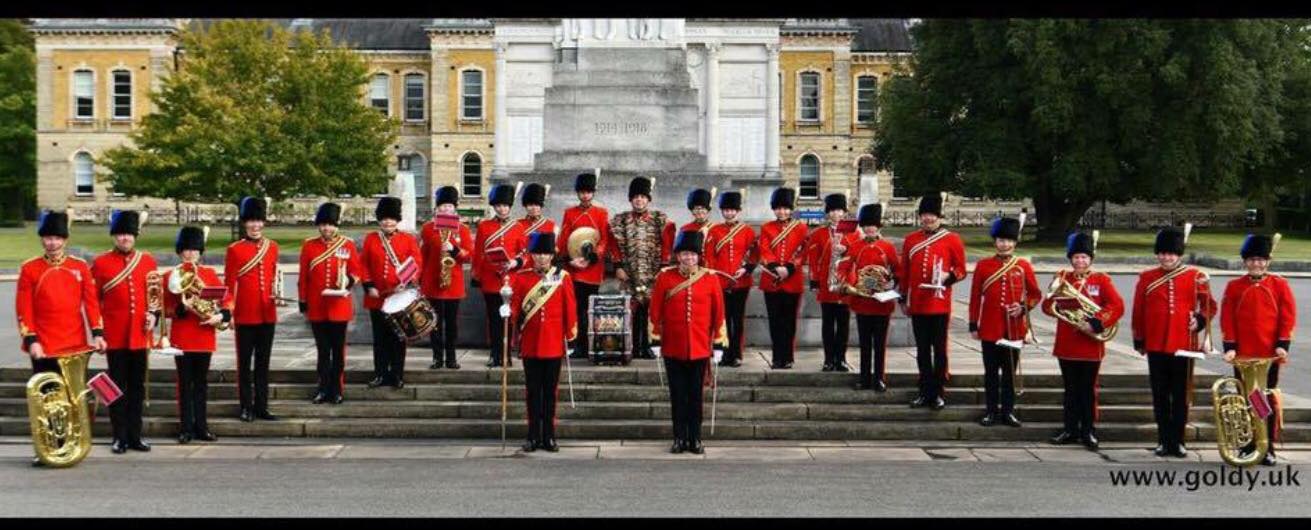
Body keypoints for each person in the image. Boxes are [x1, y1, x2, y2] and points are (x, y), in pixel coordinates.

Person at [16, 210, 106, 466]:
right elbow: (24, 308)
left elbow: (91, 304)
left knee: (71, 401)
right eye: (47, 238)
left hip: (74, 344)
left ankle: (72, 443)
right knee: (47, 402)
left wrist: (98, 334)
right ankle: (48, 448)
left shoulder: (78, 267)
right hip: (43, 345)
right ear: (42, 240)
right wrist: (32, 340)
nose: (52, 243)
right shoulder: (30, 268)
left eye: (56, 238)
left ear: (65, 240)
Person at [1131, 226, 1217, 458]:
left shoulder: (1195, 276)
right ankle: (1163, 440)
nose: (1166, 257)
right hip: (1156, 344)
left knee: (1181, 396)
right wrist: (1139, 338)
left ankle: (1178, 441)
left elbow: (1210, 305)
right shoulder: (1147, 277)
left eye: (1171, 254)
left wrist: (1199, 320)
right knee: (1160, 395)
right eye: (1163, 253)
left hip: (1184, 344)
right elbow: (1139, 310)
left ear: (1179, 255)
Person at [1041, 231, 1124, 450]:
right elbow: (1046, 307)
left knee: (1087, 390)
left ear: (1091, 260)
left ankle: (1088, 431)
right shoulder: (1062, 278)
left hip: (1090, 344)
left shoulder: (1101, 280)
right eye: (1076, 257)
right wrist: (1057, 304)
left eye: (1084, 258)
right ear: (1071, 259)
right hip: (1067, 344)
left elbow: (1116, 306)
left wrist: (1095, 323)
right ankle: (1069, 429)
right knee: (1070, 389)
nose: (1080, 261)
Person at [1220, 233, 1296, 466]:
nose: (1256, 264)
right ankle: (1248, 444)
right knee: (1244, 401)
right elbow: (1227, 319)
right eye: (1252, 259)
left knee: (1264, 401)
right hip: (1242, 355)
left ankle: (1267, 446)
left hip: (1268, 355)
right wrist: (1230, 347)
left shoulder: (1280, 285)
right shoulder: (1234, 286)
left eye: (1261, 259)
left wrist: (1282, 345)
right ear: (1245, 262)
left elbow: (1287, 317)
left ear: (1268, 261)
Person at [650, 230, 725, 454]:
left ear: (698, 256)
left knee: (695, 396)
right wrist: (655, 339)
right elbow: (655, 311)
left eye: (693, 255)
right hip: (673, 347)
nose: (689, 259)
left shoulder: (711, 278)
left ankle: (695, 438)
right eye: (685, 254)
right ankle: (679, 438)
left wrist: (719, 344)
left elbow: (718, 314)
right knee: (677, 395)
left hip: (700, 347)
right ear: (678, 255)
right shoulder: (665, 277)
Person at [91, 210, 158, 453]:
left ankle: (135, 435)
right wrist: (98, 332)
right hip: (115, 336)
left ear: (135, 235)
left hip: (139, 336)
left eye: (128, 234)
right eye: (120, 234)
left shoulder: (148, 261)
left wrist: (154, 315)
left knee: (137, 388)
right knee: (115, 387)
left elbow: (154, 296)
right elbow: (92, 301)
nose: (124, 238)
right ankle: (118, 436)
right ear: (113, 237)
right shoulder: (100, 263)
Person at [968, 217, 1041, 428]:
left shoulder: (1023, 266)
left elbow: (1035, 294)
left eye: (1009, 240)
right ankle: (991, 411)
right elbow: (974, 297)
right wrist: (974, 324)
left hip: (1014, 328)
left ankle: (1008, 411)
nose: (1005, 244)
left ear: (1015, 243)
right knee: (991, 374)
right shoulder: (983, 265)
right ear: (995, 241)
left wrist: (1023, 307)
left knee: (1009, 375)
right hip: (990, 328)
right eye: (1001, 240)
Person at [163, 226, 233, 444]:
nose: (190, 253)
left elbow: (226, 299)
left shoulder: (209, 274)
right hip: (182, 336)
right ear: (179, 251)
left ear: (200, 252)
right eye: (186, 249)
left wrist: (221, 316)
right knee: (184, 384)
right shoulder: (170, 275)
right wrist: (182, 308)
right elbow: (165, 308)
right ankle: (185, 428)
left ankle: (201, 427)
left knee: (201, 384)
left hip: (204, 334)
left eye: (194, 250)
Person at [509, 232, 577, 452]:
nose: (541, 258)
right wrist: (506, 311)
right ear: (532, 254)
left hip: (553, 343)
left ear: (552, 255)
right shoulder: (521, 277)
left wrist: (570, 334)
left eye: (545, 254)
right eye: (537, 253)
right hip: (530, 343)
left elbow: (570, 308)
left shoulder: (562, 276)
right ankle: (532, 436)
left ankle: (548, 435)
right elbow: (517, 308)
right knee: (532, 392)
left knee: (550, 392)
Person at [898, 193, 967, 410]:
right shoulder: (911, 240)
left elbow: (962, 270)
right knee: (922, 350)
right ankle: (924, 390)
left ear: (939, 216)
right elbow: (905, 272)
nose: (928, 219)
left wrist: (949, 276)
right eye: (925, 215)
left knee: (939, 349)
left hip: (939, 303)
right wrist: (902, 297)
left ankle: (937, 392)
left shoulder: (952, 239)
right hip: (918, 303)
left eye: (932, 215)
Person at [298, 202, 365, 405]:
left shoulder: (347, 244)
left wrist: (349, 281)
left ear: (337, 226)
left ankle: (337, 389)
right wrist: (303, 301)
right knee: (322, 351)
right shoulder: (309, 245)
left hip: (339, 306)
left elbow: (357, 272)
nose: (327, 228)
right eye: (323, 225)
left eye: (330, 225)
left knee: (338, 351)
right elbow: (303, 276)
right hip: (317, 306)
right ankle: (322, 388)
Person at [224, 196, 280, 423]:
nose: (255, 225)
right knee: (244, 364)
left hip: (267, 313)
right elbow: (229, 284)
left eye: (259, 221)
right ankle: (246, 406)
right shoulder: (234, 249)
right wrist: (228, 311)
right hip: (245, 314)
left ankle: (262, 406)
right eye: (251, 221)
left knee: (263, 364)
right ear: (245, 223)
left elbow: (274, 277)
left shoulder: (272, 247)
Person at [611, 177, 676, 360]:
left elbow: (667, 245)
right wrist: (618, 266)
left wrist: (663, 268)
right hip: (629, 273)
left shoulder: (660, 219)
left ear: (648, 199)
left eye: (642, 196)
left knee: (651, 310)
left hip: (653, 273)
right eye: (636, 197)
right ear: (631, 199)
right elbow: (614, 244)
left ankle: (649, 345)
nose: (639, 200)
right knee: (632, 310)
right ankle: (633, 346)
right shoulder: (620, 220)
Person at [362, 196, 423, 389]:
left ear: (397, 220)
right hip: (378, 298)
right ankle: (380, 373)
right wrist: (368, 285)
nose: (388, 222)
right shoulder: (371, 239)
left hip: (400, 296)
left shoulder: (408, 239)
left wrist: (406, 282)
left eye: (392, 218)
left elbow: (417, 263)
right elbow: (363, 265)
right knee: (379, 338)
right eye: (384, 218)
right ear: (379, 220)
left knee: (398, 337)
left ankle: (397, 374)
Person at [838, 203, 898, 391]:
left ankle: (879, 378)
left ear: (878, 226)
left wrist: (891, 284)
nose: (870, 228)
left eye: (873, 225)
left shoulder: (887, 247)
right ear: (863, 227)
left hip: (881, 303)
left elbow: (898, 271)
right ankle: (864, 378)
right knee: (864, 343)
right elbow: (843, 268)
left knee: (879, 344)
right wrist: (849, 284)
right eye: (867, 225)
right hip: (862, 300)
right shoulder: (856, 247)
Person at [472, 184, 526, 368]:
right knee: (493, 319)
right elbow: (478, 252)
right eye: (499, 205)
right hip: (490, 278)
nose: (502, 209)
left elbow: (524, 253)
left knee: (509, 319)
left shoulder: (518, 227)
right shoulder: (484, 226)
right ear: (494, 207)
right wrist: (476, 275)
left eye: (505, 205)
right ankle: (495, 354)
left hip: (510, 280)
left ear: (509, 207)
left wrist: (514, 263)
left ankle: (506, 354)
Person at [557, 173, 609, 361]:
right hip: (574, 267)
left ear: (593, 193)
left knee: (590, 308)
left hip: (592, 268)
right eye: (582, 192)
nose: (585, 196)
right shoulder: (569, 213)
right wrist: (567, 260)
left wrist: (593, 257)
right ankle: (577, 344)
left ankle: (590, 344)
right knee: (576, 307)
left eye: (588, 192)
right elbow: (564, 238)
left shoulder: (601, 213)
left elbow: (604, 239)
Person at [420, 186, 473, 369]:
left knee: (452, 324)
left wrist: (454, 249)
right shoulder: (428, 229)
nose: (445, 209)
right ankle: (437, 357)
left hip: (453, 283)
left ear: (454, 208)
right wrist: (419, 280)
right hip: (432, 281)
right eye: (442, 206)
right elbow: (423, 256)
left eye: (449, 206)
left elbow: (468, 256)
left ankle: (451, 357)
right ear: (437, 209)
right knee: (434, 323)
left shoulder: (463, 229)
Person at [806, 193, 859, 372]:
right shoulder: (819, 233)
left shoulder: (854, 232)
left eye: (839, 210)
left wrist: (847, 249)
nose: (836, 214)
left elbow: (860, 255)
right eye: (832, 211)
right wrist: (814, 281)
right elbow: (813, 260)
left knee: (843, 324)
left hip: (845, 284)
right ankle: (828, 359)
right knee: (828, 324)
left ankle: (841, 359)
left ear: (844, 212)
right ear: (828, 213)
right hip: (827, 283)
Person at [704, 190, 756, 368]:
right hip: (720, 281)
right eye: (726, 210)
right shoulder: (714, 230)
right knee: (722, 319)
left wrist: (746, 269)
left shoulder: (747, 231)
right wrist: (714, 275)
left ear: (738, 211)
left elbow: (754, 254)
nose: (729, 213)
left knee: (737, 320)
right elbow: (709, 256)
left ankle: (736, 353)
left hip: (740, 282)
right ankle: (722, 352)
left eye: (732, 210)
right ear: (722, 211)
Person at [757, 188, 808, 370]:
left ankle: (788, 357)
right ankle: (777, 357)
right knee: (775, 321)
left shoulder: (801, 227)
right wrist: (774, 267)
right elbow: (764, 249)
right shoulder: (766, 228)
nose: (782, 212)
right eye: (778, 208)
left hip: (792, 280)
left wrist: (789, 267)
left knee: (789, 322)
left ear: (791, 209)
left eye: (786, 208)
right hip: (771, 280)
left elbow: (803, 251)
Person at [514, 183, 555, 271]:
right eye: (530, 205)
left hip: (542, 269)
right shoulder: (517, 225)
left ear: (541, 206)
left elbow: (553, 252)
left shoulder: (550, 225)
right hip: (522, 269)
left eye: (537, 205)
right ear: (525, 206)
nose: (533, 208)